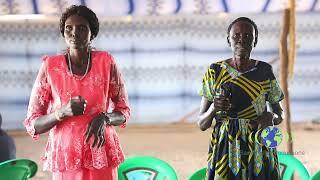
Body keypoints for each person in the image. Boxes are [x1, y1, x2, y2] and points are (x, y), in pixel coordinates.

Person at [23, 5, 130, 180]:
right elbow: (33, 124)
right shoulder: (50, 66)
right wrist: (61, 112)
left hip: (100, 153)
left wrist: (105, 118)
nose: (74, 33)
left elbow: (124, 111)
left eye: (82, 28)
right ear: (63, 33)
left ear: (92, 34)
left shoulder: (106, 62)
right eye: (69, 28)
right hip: (67, 156)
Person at [197, 17, 284, 179]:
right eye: (236, 35)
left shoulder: (265, 71)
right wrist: (214, 108)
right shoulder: (215, 72)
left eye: (247, 36)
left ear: (255, 41)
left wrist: (271, 116)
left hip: (259, 145)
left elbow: (280, 114)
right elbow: (202, 123)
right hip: (226, 149)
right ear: (228, 39)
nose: (241, 40)